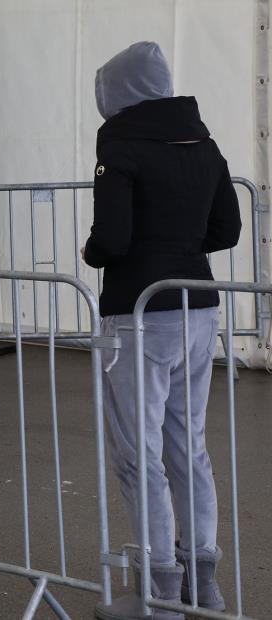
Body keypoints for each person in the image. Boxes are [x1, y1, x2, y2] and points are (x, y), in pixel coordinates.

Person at [84, 42, 240, 620]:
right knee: (187, 447)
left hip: (140, 314)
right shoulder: (204, 142)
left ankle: (159, 597)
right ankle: (204, 587)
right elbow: (228, 228)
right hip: (199, 306)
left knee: (138, 454)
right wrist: (180, 246)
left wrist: (92, 252)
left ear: (118, 91)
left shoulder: (121, 145)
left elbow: (111, 240)